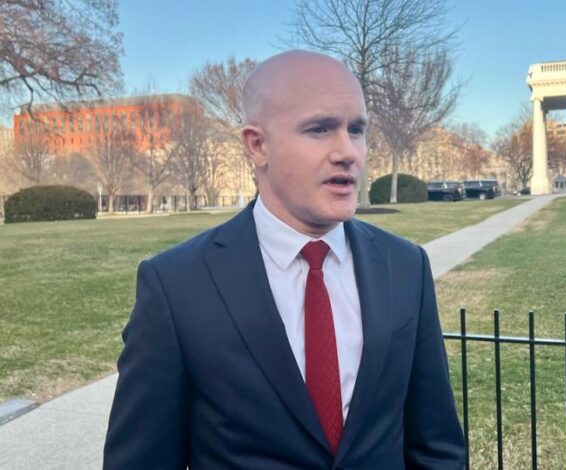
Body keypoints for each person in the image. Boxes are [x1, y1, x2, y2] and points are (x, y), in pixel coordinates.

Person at [103, 50, 465, 469]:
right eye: (319, 129)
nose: (347, 151)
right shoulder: (176, 285)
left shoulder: (406, 267)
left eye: (356, 129)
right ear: (258, 145)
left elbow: (436, 448)